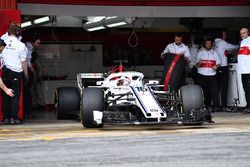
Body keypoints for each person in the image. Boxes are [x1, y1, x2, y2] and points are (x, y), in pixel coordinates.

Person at [1, 22, 28, 125]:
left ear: (9, 32)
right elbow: (23, 61)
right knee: (15, 96)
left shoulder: (3, 42)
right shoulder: (21, 45)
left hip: (5, 71)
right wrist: (26, 74)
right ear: (18, 33)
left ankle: (6, 118)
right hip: (16, 72)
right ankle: (14, 118)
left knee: (5, 95)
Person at [214, 30, 239, 111]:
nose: (226, 36)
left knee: (216, 87)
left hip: (215, 68)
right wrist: (239, 44)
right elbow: (233, 47)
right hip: (223, 66)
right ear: (221, 35)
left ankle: (216, 105)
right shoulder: (222, 42)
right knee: (224, 87)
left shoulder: (214, 43)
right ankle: (224, 105)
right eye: (224, 34)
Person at [196, 38, 220, 111]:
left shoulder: (215, 53)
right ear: (204, 44)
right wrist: (199, 63)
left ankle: (216, 107)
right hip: (202, 74)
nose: (209, 45)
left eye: (210, 43)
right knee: (202, 91)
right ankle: (202, 107)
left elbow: (218, 63)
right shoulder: (200, 53)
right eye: (207, 43)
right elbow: (196, 65)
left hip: (212, 74)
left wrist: (216, 66)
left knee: (214, 91)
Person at [24, 34, 40, 118]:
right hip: (27, 72)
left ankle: (27, 112)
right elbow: (27, 60)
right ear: (33, 42)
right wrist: (32, 70)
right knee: (27, 93)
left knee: (28, 93)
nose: (38, 45)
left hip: (27, 72)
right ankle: (27, 112)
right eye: (37, 43)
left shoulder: (30, 47)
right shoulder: (28, 47)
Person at [237, 27, 250, 113]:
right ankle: (248, 105)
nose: (242, 35)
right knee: (246, 89)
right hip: (243, 70)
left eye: (244, 33)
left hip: (249, 70)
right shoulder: (242, 42)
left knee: (249, 89)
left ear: (248, 33)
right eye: (241, 33)